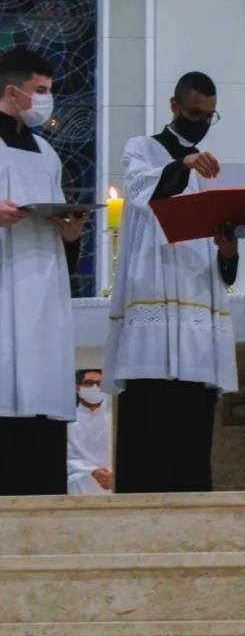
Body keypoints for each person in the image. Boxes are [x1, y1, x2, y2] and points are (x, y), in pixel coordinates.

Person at [103, 72, 239, 493]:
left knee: (192, 429)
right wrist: (181, 164)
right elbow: (147, 192)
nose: (200, 122)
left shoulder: (213, 168)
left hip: (197, 300)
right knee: (150, 420)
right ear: (174, 106)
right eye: (195, 113)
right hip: (154, 298)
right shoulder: (141, 149)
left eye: (209, 116)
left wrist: (229, 248)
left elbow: (225, 264)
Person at [0, 47, 88, 496]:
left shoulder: (46, 153)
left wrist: (70, 236)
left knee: (41, 394)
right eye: (39, 91)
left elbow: (56, 228)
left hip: (44, 288)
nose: (46, 100)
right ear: (12, 92)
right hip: (4, 287)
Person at [67, 370, 112, 494]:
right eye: (89, 383)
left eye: (99, 384)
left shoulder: (112, 418)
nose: (95, 387)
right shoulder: (68, 420)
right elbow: (66, 457)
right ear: (77, 388)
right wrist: (92, 471)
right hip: (80, 477)